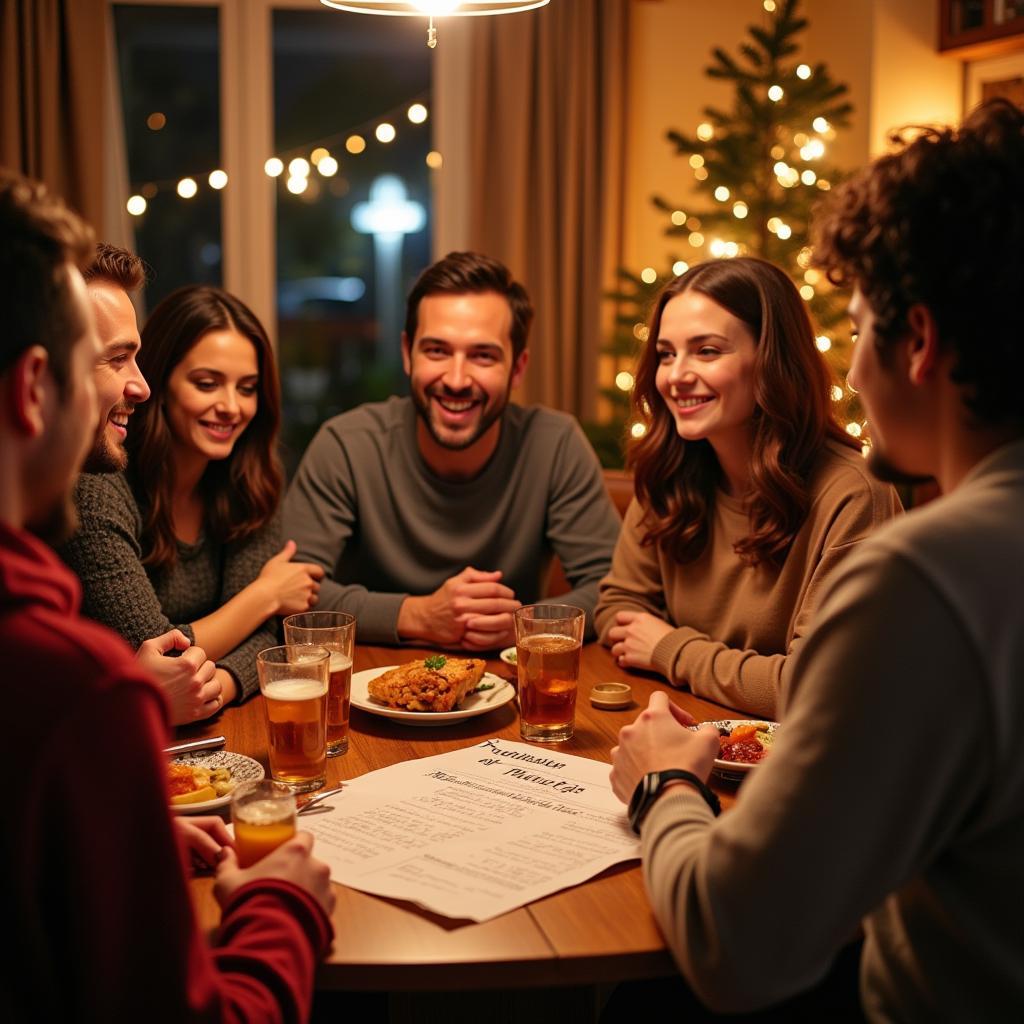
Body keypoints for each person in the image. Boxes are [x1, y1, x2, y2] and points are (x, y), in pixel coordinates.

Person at [609, 99, 1024, 1019]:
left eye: (858, 322)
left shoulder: (926, 576)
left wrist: (664, 781)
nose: (853, 372)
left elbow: (733, 943)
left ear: (915, 341)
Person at [0, 169, 334, 1020]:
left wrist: (104, 838)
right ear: (31, 389)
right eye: (108, 362)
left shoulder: (243, 481)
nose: (139, 390)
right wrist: (283, 904)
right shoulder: (77, 688)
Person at [595, 257, 900, 718]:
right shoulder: (668, 467)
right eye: (665, 353)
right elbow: (619, 606)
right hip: (677, 725)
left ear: (772, 361)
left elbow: (819, 686)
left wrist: (671, 649)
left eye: (708, 351)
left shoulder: (856, 495)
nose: (675, 376)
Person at [284, 250, 621, 649]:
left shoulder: (554, 443)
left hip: (510, 689)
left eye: (482, 355)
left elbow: (613, 587)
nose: (457, 379)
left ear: (518, 367)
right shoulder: (345, 445)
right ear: (408, 354)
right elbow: (290, 592)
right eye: (438, 351)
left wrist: (524, 626)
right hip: (364, 688)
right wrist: (417, 615)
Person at [60, 284, 323, 710]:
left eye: (247, 387)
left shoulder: (250, 478)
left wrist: (222, 683)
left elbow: (270, 636)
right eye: (207, 383)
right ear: (160, 382)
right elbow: (158, 654)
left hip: (212, 720)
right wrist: (266, 596)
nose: (231, 407)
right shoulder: (100, 481)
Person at [59, 243, 223, 726]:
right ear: (39, 373)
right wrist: (132, 697)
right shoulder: (89, 493)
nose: (141, 386)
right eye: (116, 359)